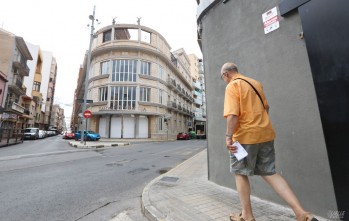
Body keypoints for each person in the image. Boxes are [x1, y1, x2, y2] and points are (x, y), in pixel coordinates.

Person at [221, 62, 318, 221]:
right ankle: (301, 213)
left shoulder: (233, 85)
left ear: (226, 74)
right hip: (265, 134)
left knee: (240, 172)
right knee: (269, 172)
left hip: (244, 138)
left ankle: (247, 216)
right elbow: (266, 108)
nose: (224, 80)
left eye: (222, 78)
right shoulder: (255, 83)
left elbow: (233, 114)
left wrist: (228, 136)